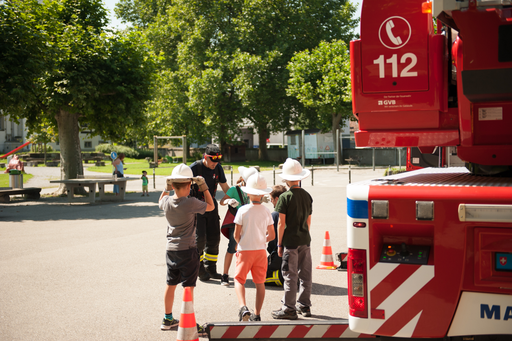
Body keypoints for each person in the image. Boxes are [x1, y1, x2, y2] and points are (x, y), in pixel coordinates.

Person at [158, 164, 214, 336]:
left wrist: (167, 188)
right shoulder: (191, 202)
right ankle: (188, 321)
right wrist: (204, 187)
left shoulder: (167, 202)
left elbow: (160, 200)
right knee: (188, 287)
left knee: (171, 283)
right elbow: (211, 206)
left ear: (172, 185)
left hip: (171, 250)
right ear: (190, 185)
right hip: (188, 250)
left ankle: (167, 318)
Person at [271, 158, 313, 320]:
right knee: (305, 273)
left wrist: (280, 244)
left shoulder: (285, 197)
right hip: (305, 240)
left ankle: (289, 308)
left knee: (289, 274)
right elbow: (309, 221)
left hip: (290, 241)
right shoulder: (307, 196)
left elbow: (281, 223)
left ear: (286, 179)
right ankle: (305, 305)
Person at [233, 173, 275, 322]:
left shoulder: (242, 210)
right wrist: (263, 239)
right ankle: (257, 314)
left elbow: (236, 235)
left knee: (239, 280)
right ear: (263, 194)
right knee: (260, 283)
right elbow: (272, 235)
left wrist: (241, 242)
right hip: (260, 251)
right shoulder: (266, 211)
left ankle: (243, 307)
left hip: (245, 250)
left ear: (248, 193)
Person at [189, 144, 230, 281]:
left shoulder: (217, 167)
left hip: (211, 206)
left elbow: (225, 187)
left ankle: (211, 268)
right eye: (213, 160)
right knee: (200, 239)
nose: (215, 163)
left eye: (218, 160)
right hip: (197, 207)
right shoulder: (194, 168)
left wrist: (232, 197)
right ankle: (200, 269)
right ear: (205, 157)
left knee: (214, 239)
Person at [218, 166, 258, 286]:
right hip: (235, 223)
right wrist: (228, 201)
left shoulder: (254, 189)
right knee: (232, 248)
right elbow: (221, 201)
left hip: (249, 222)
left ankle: (241, 274)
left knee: (246, 249)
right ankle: (224, 275)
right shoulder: (234, 189)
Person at [265, 184, 287, 286]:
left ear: (277, 199)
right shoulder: (290, 212)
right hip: (290, 254)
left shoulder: (275, 215)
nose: (271, 201)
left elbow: (266, 233)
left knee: (259, 275)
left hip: (277, 255)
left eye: (271, 199)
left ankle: (280, 277)